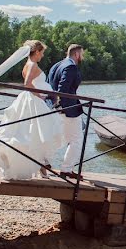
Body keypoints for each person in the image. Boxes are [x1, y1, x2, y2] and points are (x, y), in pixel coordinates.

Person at [0, 40, 64, 180]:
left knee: (35, 134)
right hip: (34, 102)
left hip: (30, 101)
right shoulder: (32, 65)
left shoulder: (27, 65)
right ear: (37, 51)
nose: (42, 56)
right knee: (39, 134)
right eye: (42, 53)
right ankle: (43, 170)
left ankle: (43, 170)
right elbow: (27, 84)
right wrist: (40, 95)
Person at [47, 44, 86, 179]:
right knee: (77, 139)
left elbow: (49, 85)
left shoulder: (56, 65)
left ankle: (43, 159)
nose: (83, 56)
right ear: (76, 54)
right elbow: (62, 89)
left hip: (56, 108)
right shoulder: (71, 67)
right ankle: (66, 169)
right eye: (82, 54)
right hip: (68, 109)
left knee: (60, 137)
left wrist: (55, 105)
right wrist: (62, 106)